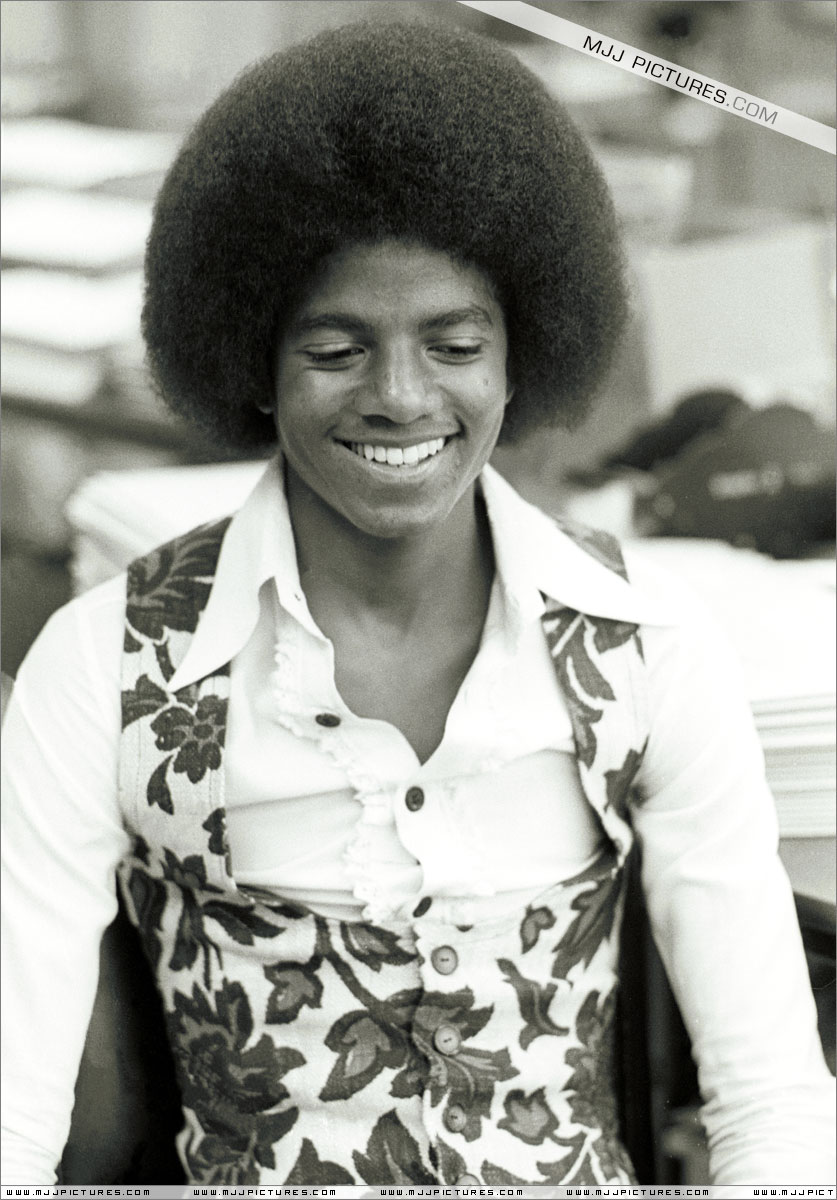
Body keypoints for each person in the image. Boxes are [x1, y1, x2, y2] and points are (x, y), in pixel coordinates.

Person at [1, 18, 834, 1188]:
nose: (400, 396)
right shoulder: (106, 667)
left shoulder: (648, 645)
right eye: (336, 350)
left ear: (521, 352)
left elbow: (773, 1102)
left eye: (453, 344)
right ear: (251, 359)